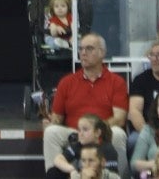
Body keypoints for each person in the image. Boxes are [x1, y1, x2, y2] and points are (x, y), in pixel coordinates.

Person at [42, 33, 130, 169]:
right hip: (74, 133)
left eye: (89, 49)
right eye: (81, 49)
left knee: (118, 133)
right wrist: (50, 123)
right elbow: (57, 118)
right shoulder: (67, 82)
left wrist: (93, 131)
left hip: (102, 132)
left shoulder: (116, 82)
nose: (83, 53)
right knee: (51, 132)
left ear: (102, 53)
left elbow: (119, 119)